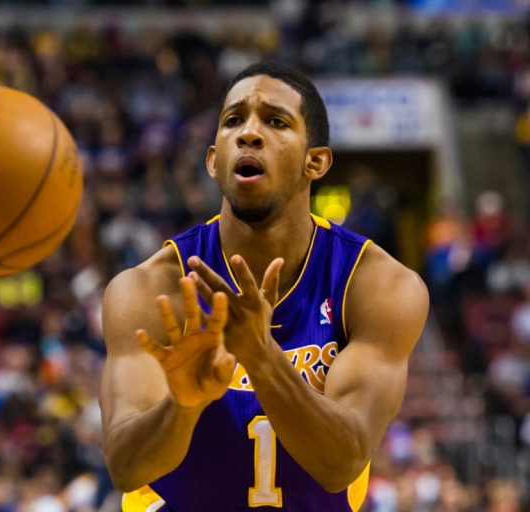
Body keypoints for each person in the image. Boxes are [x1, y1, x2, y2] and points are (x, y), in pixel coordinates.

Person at [99, 61, 429, 511]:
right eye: (233, 120)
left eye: (275, 121)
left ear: (316, 161)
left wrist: (259, 355)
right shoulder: (150, 288)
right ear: (213, 159)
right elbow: (125, 466)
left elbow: (342, 464)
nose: (248, 134)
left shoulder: (377, 286)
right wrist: (182, 405)